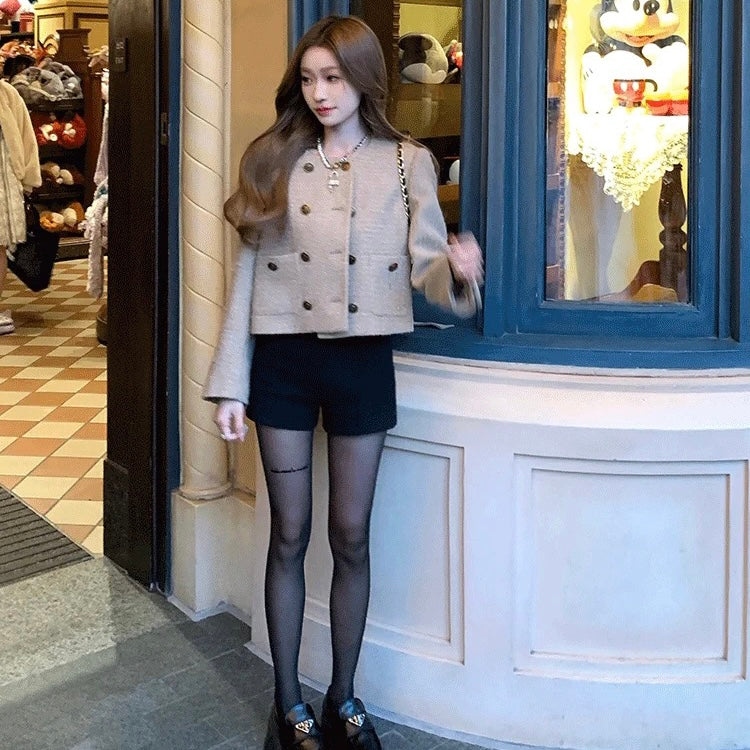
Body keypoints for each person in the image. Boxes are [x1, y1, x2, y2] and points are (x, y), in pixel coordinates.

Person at [204, 15, 483, 750]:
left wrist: (455, 270)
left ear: (363, 79)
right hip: (283, 362)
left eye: (333, 77)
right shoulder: (273, 157)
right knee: (289, 534)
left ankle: (343, 697)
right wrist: (231, 382)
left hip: (362, 360)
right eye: (308, 79)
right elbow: (244, 276)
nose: (320, 93)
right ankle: (288, 704)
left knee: (351, 536)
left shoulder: (406, 162)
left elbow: (425, 265)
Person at [0, 74, 41, 334]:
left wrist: (28, 179)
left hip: (3, 179)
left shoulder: (6, 94)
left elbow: (26, 138)